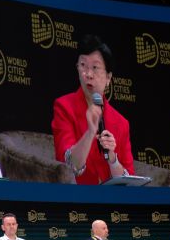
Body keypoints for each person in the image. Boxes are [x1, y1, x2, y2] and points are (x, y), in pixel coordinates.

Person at [52, 34, 134, 185]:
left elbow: (130, 182)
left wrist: (112, 158)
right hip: (76, 200)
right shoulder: (64, 107)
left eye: (95, 68)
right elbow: (68, 164)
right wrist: (90, 132)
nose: (88, 74)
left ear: (109, 78)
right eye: (83, 66)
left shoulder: (122, 123)